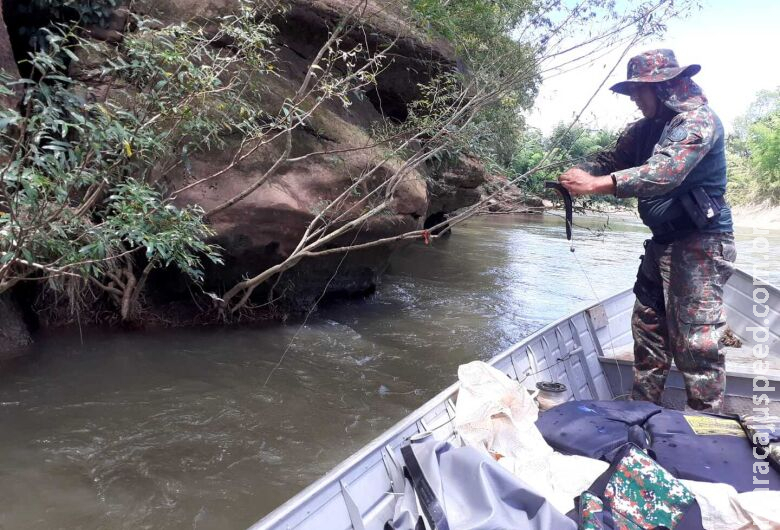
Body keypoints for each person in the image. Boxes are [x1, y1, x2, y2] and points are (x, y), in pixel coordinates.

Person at [557, 49, 736, 412]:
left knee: (696, 344)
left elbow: (664, 172)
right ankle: (642, 415)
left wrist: (596, 185)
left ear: (665, 88)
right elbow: (610, 160)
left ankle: (706, 430)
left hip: (700, 245)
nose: (635, 100)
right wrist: (577, 172)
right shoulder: (644, 130)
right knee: (648, 329)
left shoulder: (698, 122)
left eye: (640, 91)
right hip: (662, 245)